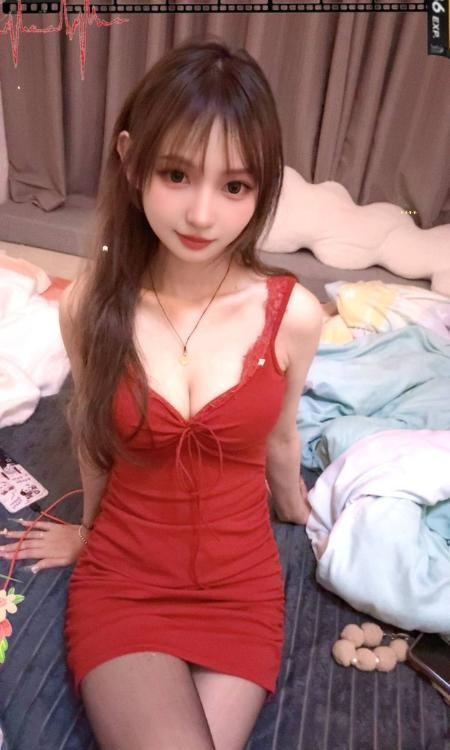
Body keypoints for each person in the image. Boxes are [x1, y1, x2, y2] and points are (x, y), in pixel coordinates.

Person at [0, 39, 322, 750]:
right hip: (126, 581)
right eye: (177, 174)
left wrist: (308, 521)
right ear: (131, 159)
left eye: (235, 186)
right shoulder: (90, 306)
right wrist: (87, 533)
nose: (202, 214)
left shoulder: (294, 315)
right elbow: (93, 438)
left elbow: (279, 439)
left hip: (240, 587)